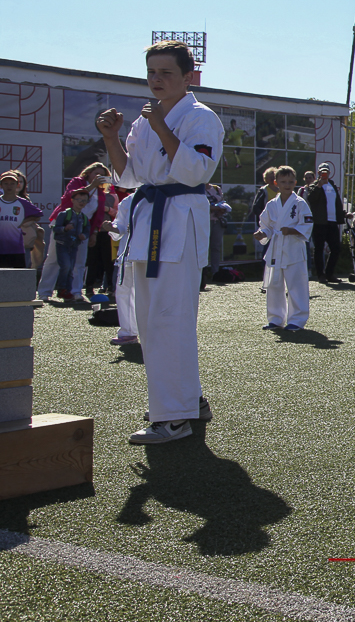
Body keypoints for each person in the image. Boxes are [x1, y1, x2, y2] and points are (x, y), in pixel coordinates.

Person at [94, 40, 222, 444]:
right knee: (151, 323)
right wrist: (112, 138)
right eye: (151, 72)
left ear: (188, 76)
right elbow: (129, 176)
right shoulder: (143, 120)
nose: (156, 80)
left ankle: (173, 417)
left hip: (179, 220)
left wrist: (161, 127)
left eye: (166, 72)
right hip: (147, 220)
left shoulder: (201, 118)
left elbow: (196, 170)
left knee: (170, 320)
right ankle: (188, 401)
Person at [37, 162, 111, 302]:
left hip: (82, 228)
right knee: (54, 259)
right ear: (88, 173)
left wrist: (94, 233)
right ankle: (44, 292)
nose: (99, 176)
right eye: (96, 173)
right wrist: (91, 186)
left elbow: (99, 215)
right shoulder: (77, 182)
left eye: (102, 175)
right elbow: (68, 197)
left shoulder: (101, 193)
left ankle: (75, 292)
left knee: (80, 261)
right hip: (64, 224)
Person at [254, 166, 312, 331]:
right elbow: (267, 226)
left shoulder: (300, 203)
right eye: (283, 182)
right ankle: (275, 319)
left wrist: (292, 230)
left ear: (295, 183)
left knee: (296, 285)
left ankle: (297, 320)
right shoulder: (272, 204)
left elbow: (307, 224)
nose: (287, 185)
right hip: (276, 248)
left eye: (290, 182)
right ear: (276, 183)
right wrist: (262, 233)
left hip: (294, 249)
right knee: (274, 285)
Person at [103, 189, 138, 346]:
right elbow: (121, 226)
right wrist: (112, 228)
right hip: (128, 255)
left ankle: (154, 333)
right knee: (124, 293)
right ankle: (128, 332)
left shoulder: (164, 197)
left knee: (151, 295)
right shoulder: (128, 201)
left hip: (154, 256)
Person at [305, 162, 346, 283]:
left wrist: (343, 214)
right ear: (318, 173)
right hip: (319, 222)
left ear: (329, 173)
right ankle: (320, 275)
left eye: (326, 172)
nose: (324, 174)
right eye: (322, 172)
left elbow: (336, 203)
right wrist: (319, 185)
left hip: (332, 222)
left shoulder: (332, 185)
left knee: (336, 248)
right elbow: (311, 199)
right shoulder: (314, 185)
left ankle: (329, 273)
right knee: (319, 249)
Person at [0, 169, 42, 269]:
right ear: (1, 186)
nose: (9, 186)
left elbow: (38, 214)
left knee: (18, 274)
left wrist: (23, 222)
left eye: (12, 183)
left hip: (16, 247)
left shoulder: (22, 202)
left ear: (17, 185)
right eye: (6, 184)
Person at [53, 190, 91, 300]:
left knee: (70, 268)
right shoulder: (64, 214)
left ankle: (67, 291)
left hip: (74, 246)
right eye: (79, 199)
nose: (81, 202)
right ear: (72, 200)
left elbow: (87, 231)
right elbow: (55, 228)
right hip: (62, 244)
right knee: (66, 266)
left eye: (84, 200)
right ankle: (62, 289)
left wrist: (84, 235)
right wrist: (65, 229)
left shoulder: (84, 217)